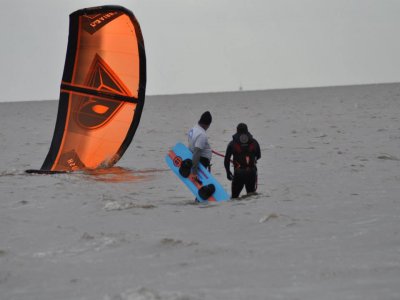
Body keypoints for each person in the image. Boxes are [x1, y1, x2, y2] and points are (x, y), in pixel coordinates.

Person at [224, 123, 261, 198]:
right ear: (247, 131)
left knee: (234, 198)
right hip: (251, 172)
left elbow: (226, 160)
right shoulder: (254, 142)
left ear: (237, 131)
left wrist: (228, 172)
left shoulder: (232, 144)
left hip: (239, 173)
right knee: (251, 197)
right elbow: (259, 156)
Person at [187, 111, 213, 182]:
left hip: (194, 157)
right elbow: (197, 152)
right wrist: (194, 172)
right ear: (207, 124)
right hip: (201, 162)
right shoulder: (202, 134)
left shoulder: (193, 129)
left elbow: (192, 144)